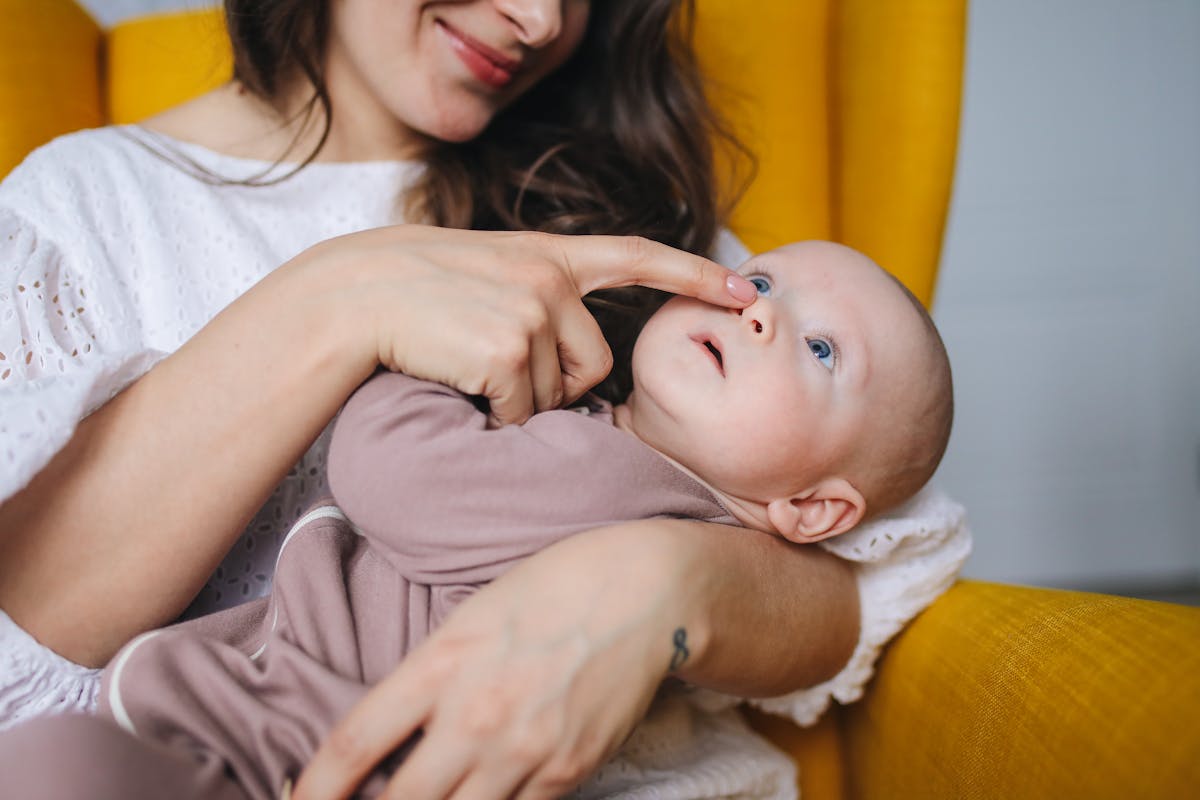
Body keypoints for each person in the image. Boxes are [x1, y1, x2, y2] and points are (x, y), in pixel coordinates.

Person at [0, 1, 970, 797]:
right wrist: (338, 305)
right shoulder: (88, 211)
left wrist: (657, 587)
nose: (540, 19)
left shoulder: (630, 224)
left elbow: (860, 569)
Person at [0, 240, 957, 800]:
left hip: (294, 745)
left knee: (51, 767)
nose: (762, 315)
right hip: (320, 744)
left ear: (816, 509)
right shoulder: (610, 456)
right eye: (764, 280)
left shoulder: (610, 477)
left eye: (823, 349)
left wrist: (402, 355)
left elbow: (397, 477)